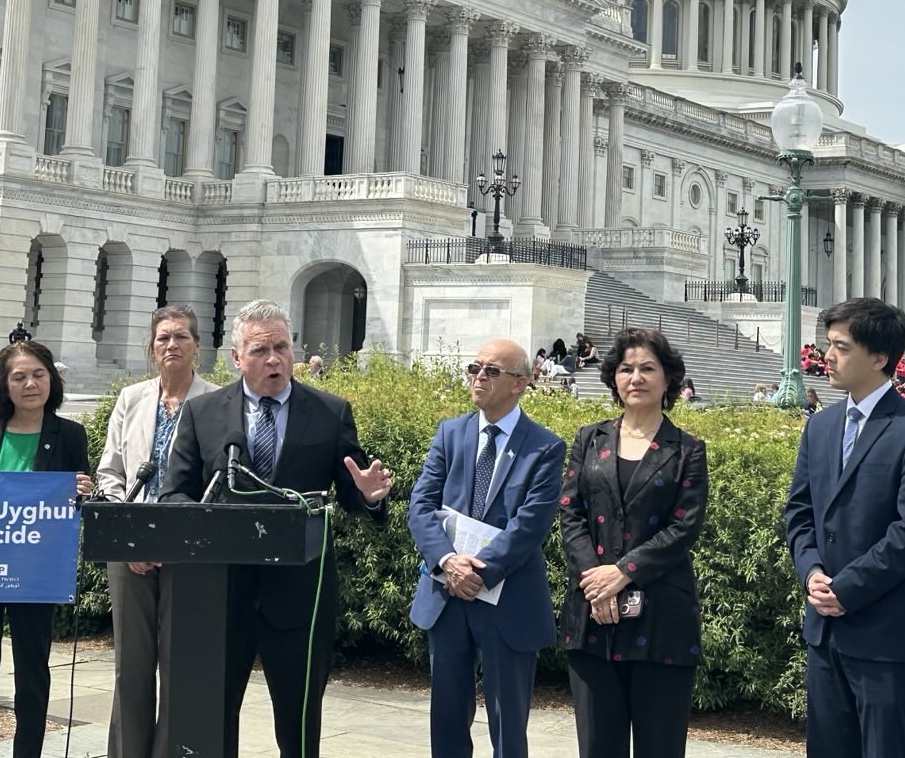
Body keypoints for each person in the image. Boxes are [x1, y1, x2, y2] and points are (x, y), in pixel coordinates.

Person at [158, 300, 393, 758]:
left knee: (299, 724)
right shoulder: (203, 413)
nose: (274, 359)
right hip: (220, 594)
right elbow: (174, 495)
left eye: (282, 347)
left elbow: (351, 492)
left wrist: (369, 495)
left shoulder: (330, 411)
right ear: (236, 357)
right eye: (261, 349)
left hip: (300, 599)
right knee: (213, 718)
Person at [783, 298, 905, 758]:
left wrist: (848, 588)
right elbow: (799, 512)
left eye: (840, 346)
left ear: (879, 358)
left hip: (886, 634)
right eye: (828, 344)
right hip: (824, 628)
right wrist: (812, 572)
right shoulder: (820, 426)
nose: (827, 356)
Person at [408, 339, 565, 758]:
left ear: (521, 383)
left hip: (507, 596)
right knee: (446, 717)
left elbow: (530, 524)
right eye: (474, 368)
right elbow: (420, 506)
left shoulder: (546, 447)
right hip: (447, 593)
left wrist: (478, 571)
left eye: (491, 371)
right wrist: (448, 563)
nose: (479, 377)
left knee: (508, 722)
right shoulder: (451, 432)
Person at [560, 327, 708, 758]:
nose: (636, 378)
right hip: (592, 616)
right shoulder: (589, 439)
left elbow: (683, 528)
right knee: (597, 747)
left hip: (661, 619)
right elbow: (570, 514)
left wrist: (622, 573)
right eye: (626, 369)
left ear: (668, 380)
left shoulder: (687, 450)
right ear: (613, 379)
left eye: (648, 368)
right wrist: (596, 581)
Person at [0, 341, 93, 758]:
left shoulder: (70, 435)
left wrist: (82, 492)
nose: (30, 384)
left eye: (38, 374)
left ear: (52, 379)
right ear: (4, 385)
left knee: (32, 670)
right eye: (19, 377)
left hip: (36, 569)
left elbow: (77, 502)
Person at [98, 306, 218, 758]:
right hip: (130, 544)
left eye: (182, 337)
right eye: (164, 337)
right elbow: (110, 471)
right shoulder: (131, 398)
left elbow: (220, 480)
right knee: (131, 667)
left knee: (179, 665)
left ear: (197, 347)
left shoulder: (216, 400)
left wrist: (180, 538)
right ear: (152, 347)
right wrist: (131, 536)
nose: (172, 345)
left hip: (189, 549)